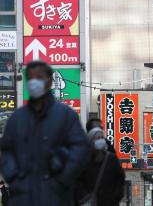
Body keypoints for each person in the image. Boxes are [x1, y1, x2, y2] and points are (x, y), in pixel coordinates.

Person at [0, 61, 90, 206]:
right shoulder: (17, 118)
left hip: (56, 196)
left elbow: (81, 149)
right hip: (23, 197)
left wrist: (63, 179)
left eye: (39, 77)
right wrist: (13, 177)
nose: (33, 82)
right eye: (29, 78)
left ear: (49, 80)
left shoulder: (65, 115)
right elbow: (7, 150)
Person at [76, 127, 125, 206]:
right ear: (91, 141)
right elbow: (79, 182)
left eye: (102, 137)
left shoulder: (112, 158)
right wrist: (84, 197)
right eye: (98, 138)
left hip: (110, 202)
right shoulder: (84, 160)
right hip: (91, 202)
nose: (101, 140)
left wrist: (117, 195)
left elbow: (120, 178)